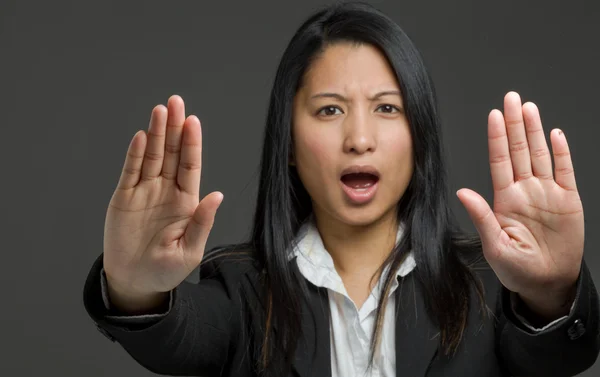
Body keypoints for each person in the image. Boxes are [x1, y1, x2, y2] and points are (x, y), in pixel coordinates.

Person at [82, 2, 599, 376]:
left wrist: (550, 292)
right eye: (329, 110)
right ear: (287, 140)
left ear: (420, 137)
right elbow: (180, 342)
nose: (359, 139)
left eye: (387, 108)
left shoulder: (489, 288)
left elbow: (562, 357)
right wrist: (133, 288)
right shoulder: (241, 292)